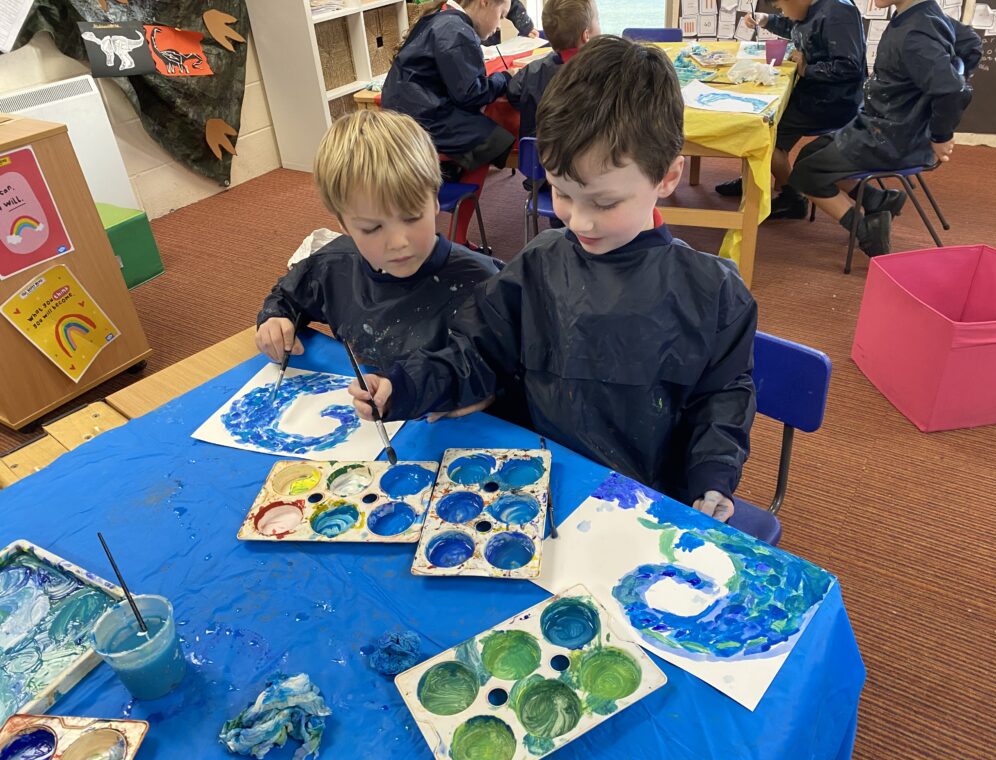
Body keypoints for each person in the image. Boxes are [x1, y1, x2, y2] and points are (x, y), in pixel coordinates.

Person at [350, 36, 758, 524]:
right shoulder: (539, 263)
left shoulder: (713, 293)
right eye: (561, 193)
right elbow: (476, 352)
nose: (579, 222)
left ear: (667, 179)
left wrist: (711, 477)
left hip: (643, 505)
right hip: (535, 486)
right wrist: (407, 386)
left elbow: (722, 399)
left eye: (604, 203)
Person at [255, 110, 501, 371]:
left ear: (434, 200)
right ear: (344, 224)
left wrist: (490, 395)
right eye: (372, 228)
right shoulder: (333, 266)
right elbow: (288, 296)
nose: (397, 242)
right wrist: (275, 319)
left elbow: (524, 370)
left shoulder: (487, 283)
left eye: (411, 218)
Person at [787, 0, 981, 256]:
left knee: (804, 174)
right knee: (809, 155)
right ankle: (877, 199)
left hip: (891, 137)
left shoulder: (915, 34)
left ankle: (868, 229)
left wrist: (940, 134)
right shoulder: (923, 14)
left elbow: (952, 91)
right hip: (881, 124)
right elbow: (971, 44)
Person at [717, 0, 867, 220]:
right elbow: (796, 25)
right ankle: (754, 181)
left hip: (833, 102)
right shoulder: (812, 7)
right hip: (816, 94)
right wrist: (766, 20)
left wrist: (807, 69)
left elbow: (849, 67)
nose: (781, 11)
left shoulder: (838, 11)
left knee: (762, 132)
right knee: (763, 115)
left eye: (781, 6)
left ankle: (792, 198)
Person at [382, 0, 514, 181]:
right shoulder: (456, 30)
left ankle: (447, 176)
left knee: (481, 129)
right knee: (496, 140)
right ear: (485, 2)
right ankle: (456, 190)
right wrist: (505, 77)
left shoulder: (441, 18)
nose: (499, 26)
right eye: (501, 15)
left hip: (405, 111)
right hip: (421, 117)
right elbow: (471, 94)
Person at [506, 0, 600, 139]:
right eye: (597, 20)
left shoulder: (532, 70)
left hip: (538, 156)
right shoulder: (603, 72)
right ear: (586, 35)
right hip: (585, 155)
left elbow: (513, 92)